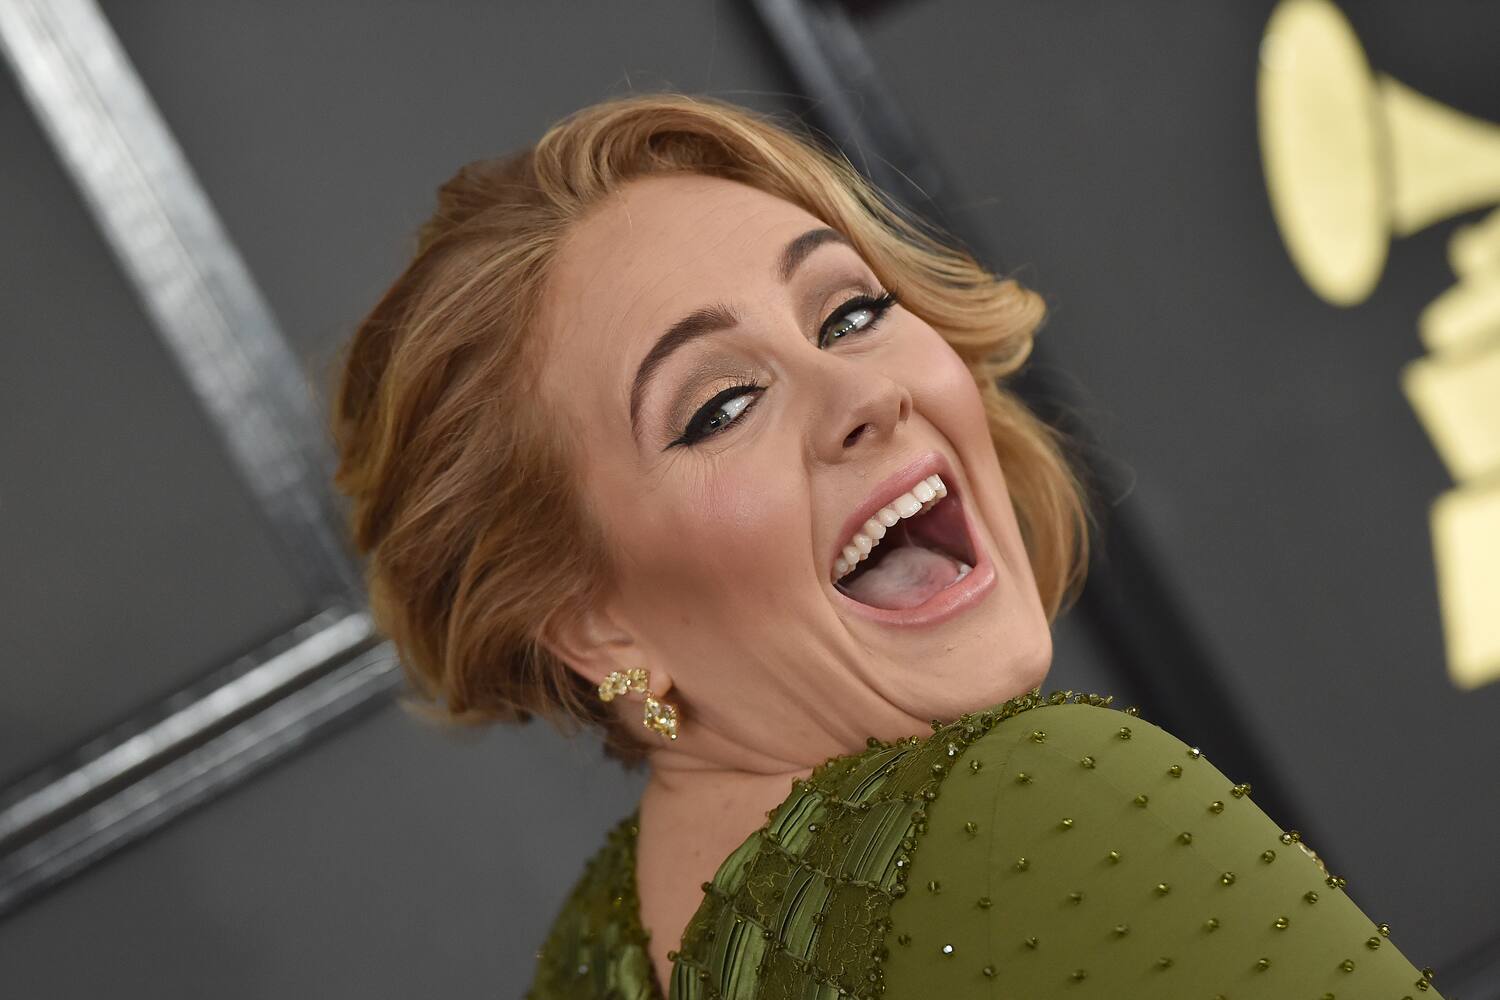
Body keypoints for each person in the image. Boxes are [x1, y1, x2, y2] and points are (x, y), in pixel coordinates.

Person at [330, 93, 1445, 999]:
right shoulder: (1043, 806)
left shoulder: (600, 950)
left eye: (850, 313)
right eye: (720, 406)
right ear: (593, 623)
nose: (860, 394)